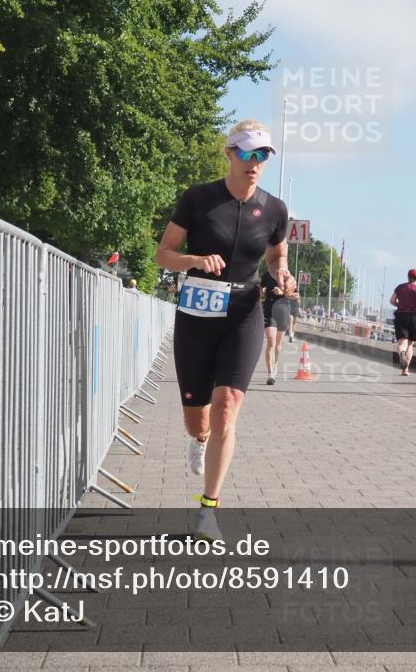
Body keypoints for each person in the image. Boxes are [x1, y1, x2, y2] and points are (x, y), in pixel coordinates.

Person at [156, 119, 293, 540]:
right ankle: (199, 442)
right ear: (230, 153)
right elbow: (163, 254)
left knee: (228, 405)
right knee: (198, 420)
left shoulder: (274, 209)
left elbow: (276, 258)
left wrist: (283, 274)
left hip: (243, 310)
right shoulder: (198, 199)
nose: (255, 163)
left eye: (263, 155)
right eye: (248, 154)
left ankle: (207, 511)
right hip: (197, 313)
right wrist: (194, 261)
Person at [390, 268, 416, 377]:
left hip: (401, 315)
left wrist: (399, 305)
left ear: (407, 276)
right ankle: (405, 370)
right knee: (410, 344)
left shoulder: (400, 287)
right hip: (415, 317)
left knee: (402, 343)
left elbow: (392, 300)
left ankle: (401, 352)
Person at [261, 269, 292, 384]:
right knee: (271, 340)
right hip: (269, 309)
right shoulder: (266, 274)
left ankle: (276, 362)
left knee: (278, 345)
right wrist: (261, 292)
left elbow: (296, 295)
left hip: (283, 309)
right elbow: (261, 288)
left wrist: (282, 292)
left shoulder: (288, 275)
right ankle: (270, 374)